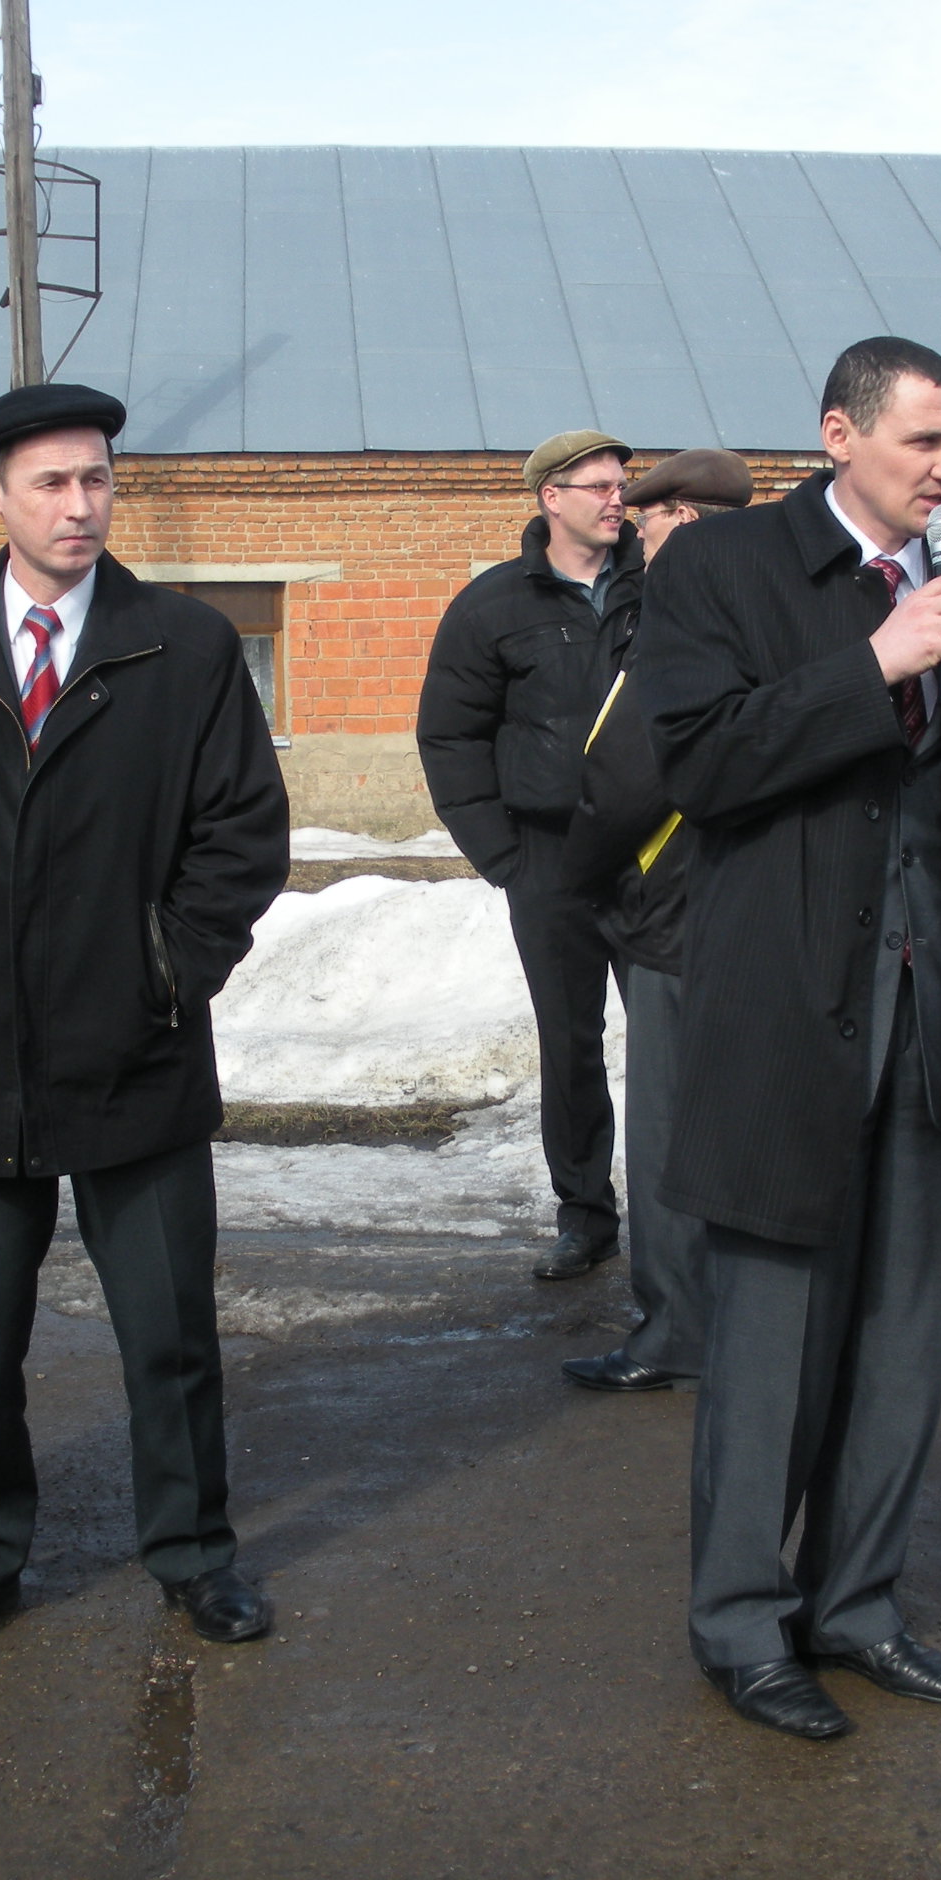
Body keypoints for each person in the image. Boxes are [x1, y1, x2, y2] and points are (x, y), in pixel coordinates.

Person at [633, 338, 941, 1740]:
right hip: (784, 1021)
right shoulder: (724, 572)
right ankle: (743, 1627)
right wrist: (870, 662)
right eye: (923, 443)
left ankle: (859, 1604)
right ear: (840, 434)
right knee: (769, 1351)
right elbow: (696, 764)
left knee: (901, 1344)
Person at [0, 383, 289, 1661]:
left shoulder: (183, 648)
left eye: (97, 479)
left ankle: (195, 1556)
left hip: (135, 1054)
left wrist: (164, 968)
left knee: (171, 1337)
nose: (80, 504)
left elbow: (242, 833)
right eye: (51, 482)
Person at [418, 430, 646, 1282]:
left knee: (668, 1042)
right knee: (572, 1043)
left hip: (655, 855)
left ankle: (675, 1218)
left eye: (622, 486)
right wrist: (502, 855)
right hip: (549, 859)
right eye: (597, 486)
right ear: (551, 497)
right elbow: (450, 736)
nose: (616, 499)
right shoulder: (493, 606)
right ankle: (585, 1216)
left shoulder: (660, 591)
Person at [556, 448, 754, 1393]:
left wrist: (580, 878)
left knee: (673, 1131)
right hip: (753, 907)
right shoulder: (790, 602)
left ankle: (674, 1328)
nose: (640, 532)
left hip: (675, 914)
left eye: (655, 517)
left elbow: (627, 777)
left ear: (690, 519)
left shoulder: (686, 609)